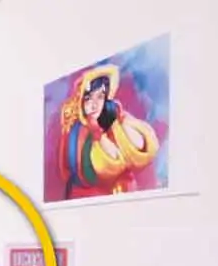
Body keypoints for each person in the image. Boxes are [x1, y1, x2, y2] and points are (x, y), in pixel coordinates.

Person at [57, 65, 160, 198]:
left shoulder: (115, 118)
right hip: (80, 197)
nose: (94, 104)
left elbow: (140, 148)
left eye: (100, 97)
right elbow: (68, 170)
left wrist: (116, 123)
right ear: (81, 100)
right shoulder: (75, 130)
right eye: (88, 98)